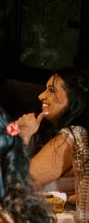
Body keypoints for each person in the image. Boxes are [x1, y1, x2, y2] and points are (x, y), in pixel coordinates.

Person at [19, 68, 89, 201]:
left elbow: (21, 182)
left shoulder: (73, 136)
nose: (41, 96)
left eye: (51, 90)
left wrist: (23, 136)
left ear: (74, 99)